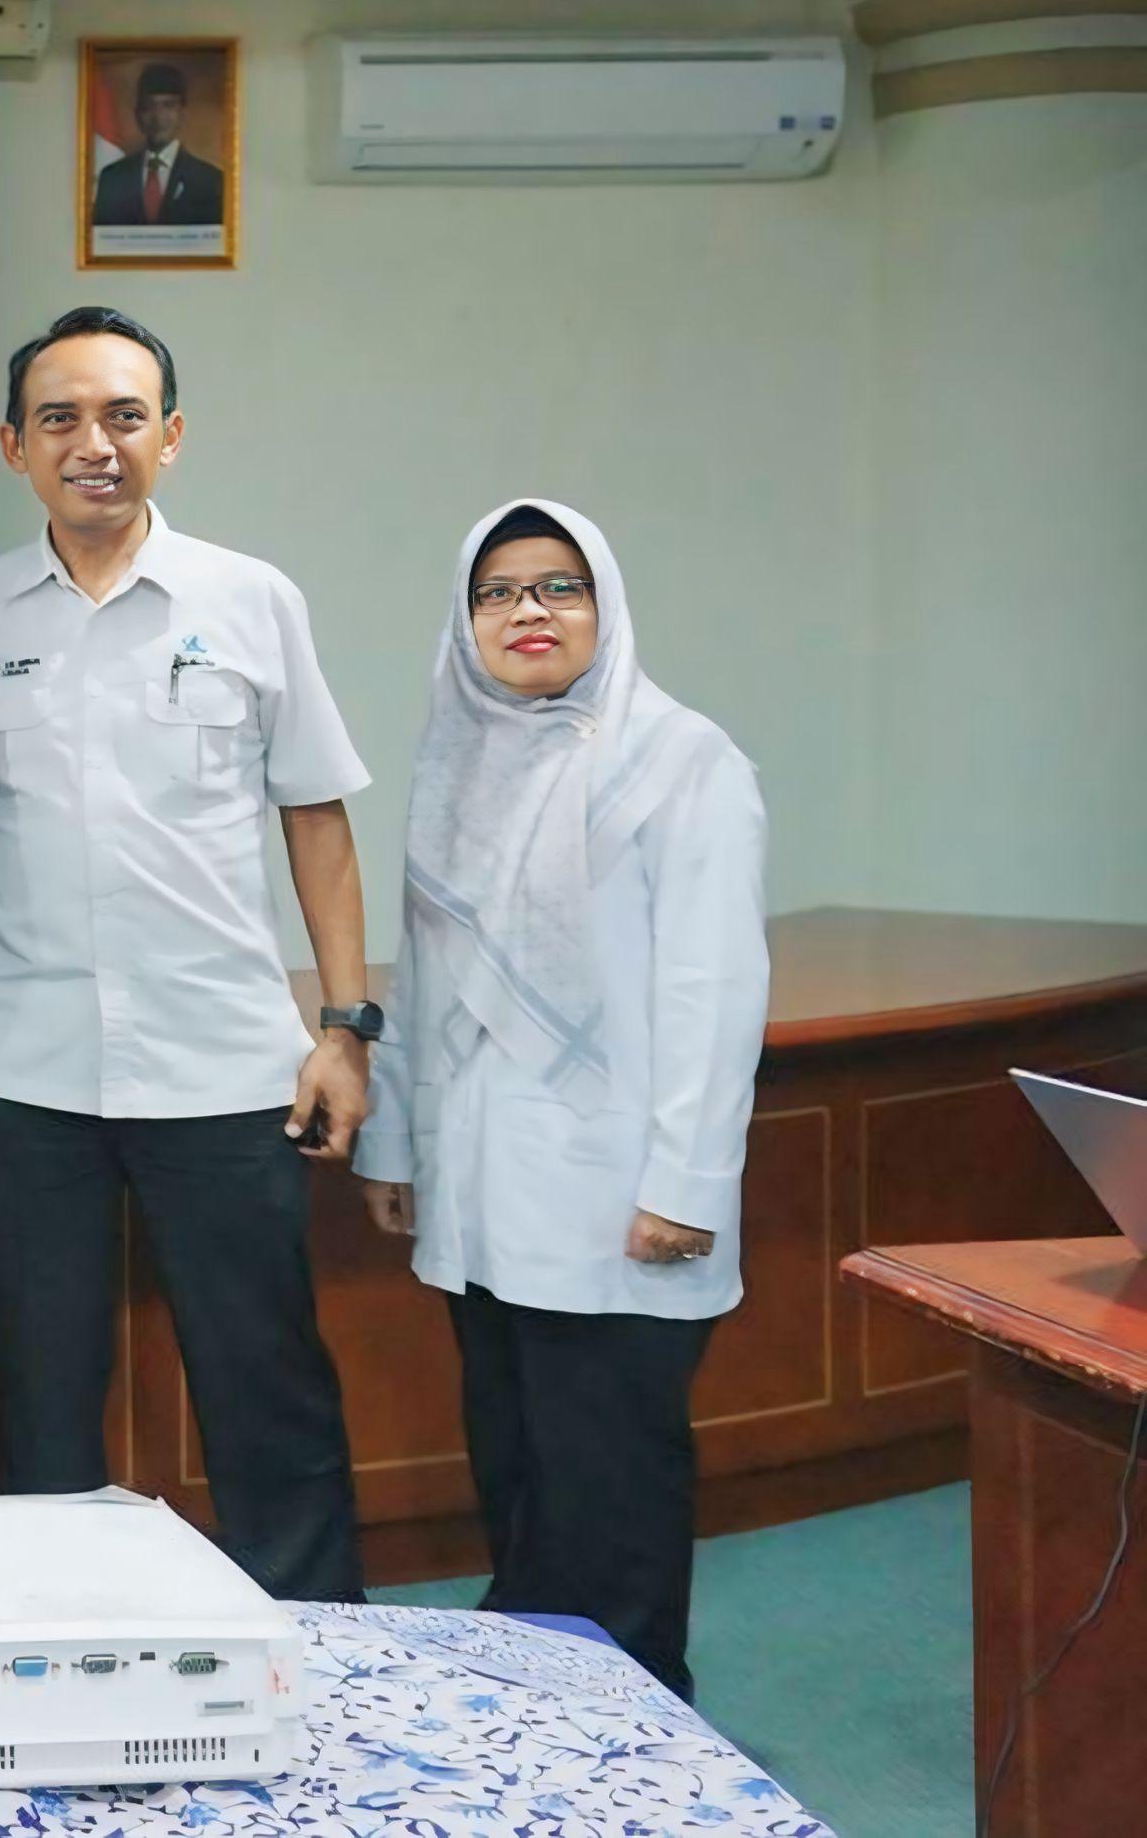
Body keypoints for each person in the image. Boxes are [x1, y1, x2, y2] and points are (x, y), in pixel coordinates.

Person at [0, 305, 375, 1602]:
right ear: (14, 445)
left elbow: (316, 817)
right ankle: (58, 1637)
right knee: (42, 1391)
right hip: (25, 1067)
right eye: (60, 418)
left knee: (264, 1379)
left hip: (224, 1063)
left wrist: (345, 1026)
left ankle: (314, 1634)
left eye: (124, 416)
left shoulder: (251, 599)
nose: (94, 444)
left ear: (170, 436)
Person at [353, 500, 767, 1701]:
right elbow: (423, 971)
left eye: (558, 586)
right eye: (496, 591)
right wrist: (396, 1141)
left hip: (620, 1193)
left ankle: (641, 1721)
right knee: (519, 1462)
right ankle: (537, 1712)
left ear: (604, 605)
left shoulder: (681, 760)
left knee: (612, 1479)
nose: (527, 610)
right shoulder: (462, 761)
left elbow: (714, 988)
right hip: (486, 1189)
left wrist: (686, 1184)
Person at [89, 61, 227, 228]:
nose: (158, 117)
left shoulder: (209, 181)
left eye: (168, 106)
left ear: (182, 113)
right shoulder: (112, 178)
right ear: (137, 114)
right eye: (149, 107)